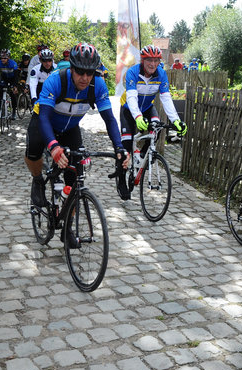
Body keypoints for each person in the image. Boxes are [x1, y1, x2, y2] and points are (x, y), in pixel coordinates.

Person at [24, 43, 130, 236]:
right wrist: (54, 147)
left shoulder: (97, 85)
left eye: (89, 73)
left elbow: (109, 119)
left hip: (70, 128)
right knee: (33, 152)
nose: (85, 77)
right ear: (71, 68)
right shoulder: (56, 80)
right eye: (80, 72)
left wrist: (119, 147)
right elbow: (44, 117)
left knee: (75, 181)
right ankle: (38, 180)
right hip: (44, 122)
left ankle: (68, 226)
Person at [117, 45, 187, 200]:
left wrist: (176, 121)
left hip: (148, 107)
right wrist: (137, 117)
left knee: (158, 126)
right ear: (143, 60)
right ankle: (121, 179)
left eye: (156, 60)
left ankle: (144, 155)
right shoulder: (133, 72)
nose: (153, 64)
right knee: (126, 147)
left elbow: (166, 98)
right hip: (129, 109)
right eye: (149, 60)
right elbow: (132, 98)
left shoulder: (161, 74)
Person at [0, 48, 18, 120]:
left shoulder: (13, 64)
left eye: (5, 58)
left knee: (12, 93)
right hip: (4, 78)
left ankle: (14, 110)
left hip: (12, 79)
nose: (3, 59)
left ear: (8, 57)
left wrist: (14, 85)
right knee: (0, 91)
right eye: (1, 58)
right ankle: (0, 106)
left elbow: (16, 76)